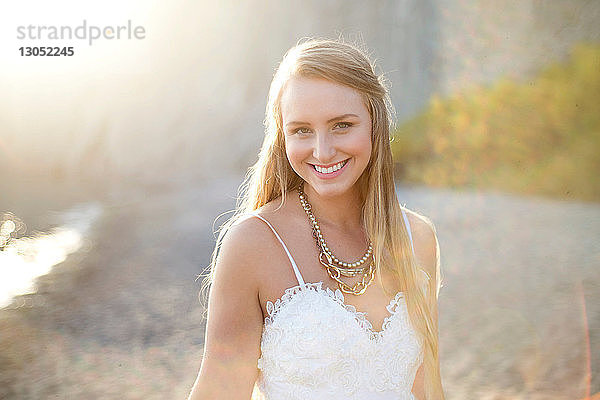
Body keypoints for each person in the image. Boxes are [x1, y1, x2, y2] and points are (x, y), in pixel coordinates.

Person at [187, 38, 444, 400]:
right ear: (283, 136)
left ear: (375, 123)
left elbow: (428, 386)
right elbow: (219, 390)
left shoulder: (418, 237)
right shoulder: (252, 244)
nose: (322, 151)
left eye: (342, 125)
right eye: (301, 130)